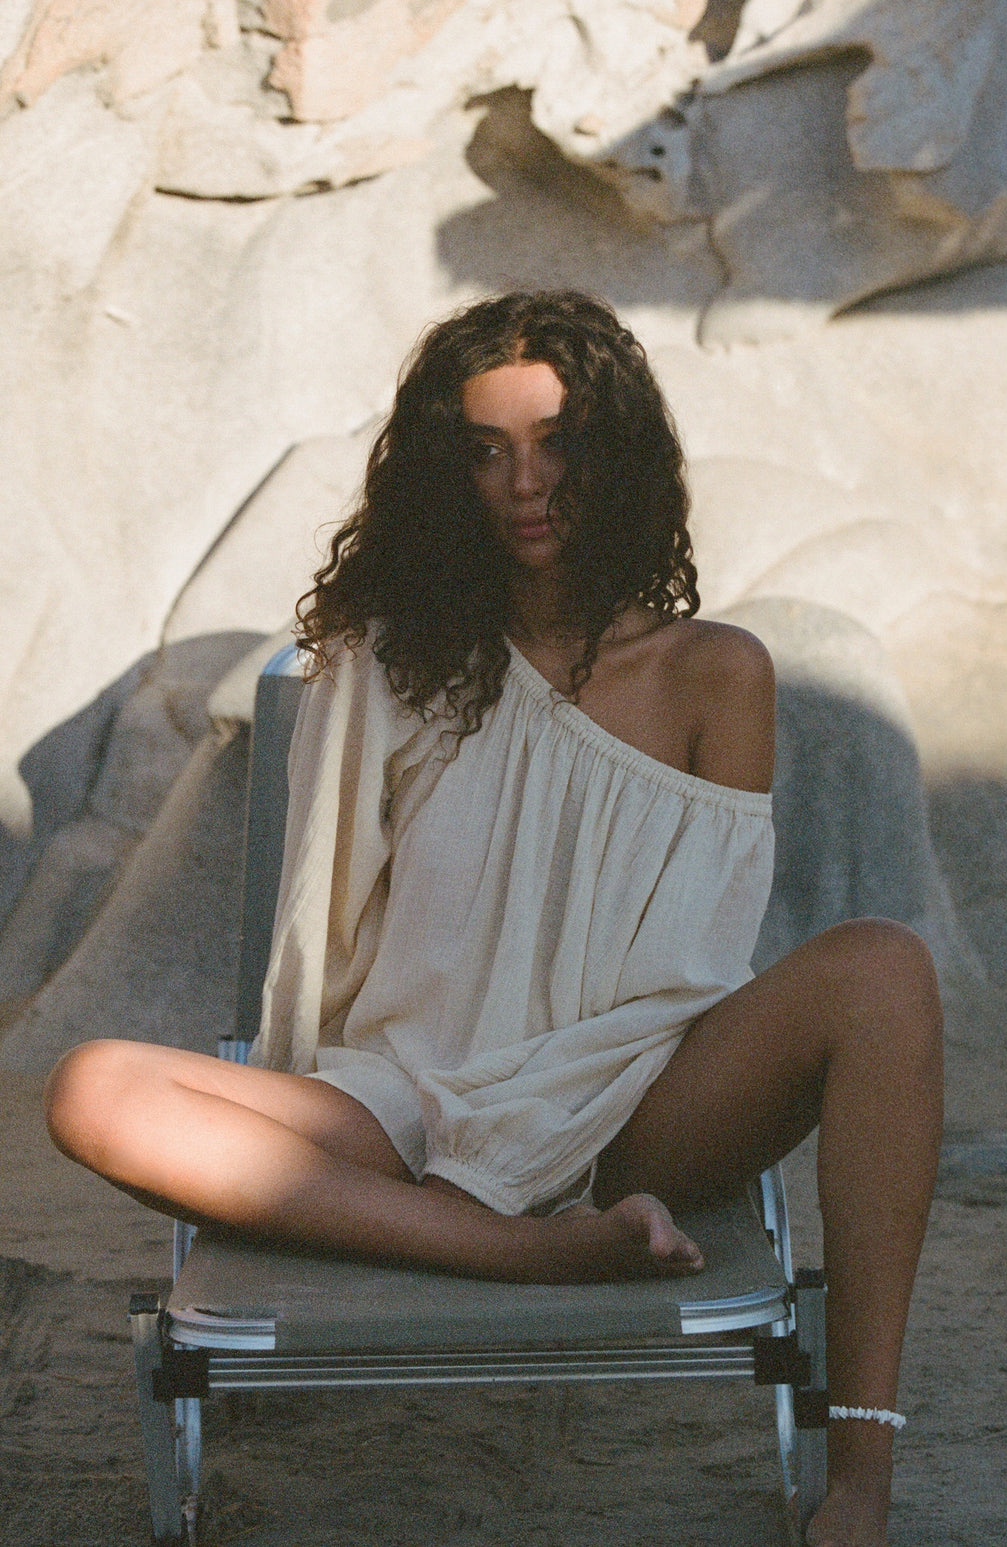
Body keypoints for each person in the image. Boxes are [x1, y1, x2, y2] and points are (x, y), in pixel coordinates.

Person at [45, 291, 942, 1547]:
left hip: (633, 1104)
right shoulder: (394, 666)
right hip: (411, 1104)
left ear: (616, 451)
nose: (524, 483)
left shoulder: (715, 674)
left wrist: (548, 1111)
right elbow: (327, 923)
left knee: (883, 968)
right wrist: (450, 1132)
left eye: (557, 441)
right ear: (440, 472)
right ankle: (516, 1249)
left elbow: (694, 954)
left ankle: (858, 1471)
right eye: (483, 450)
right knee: (92, 1088)